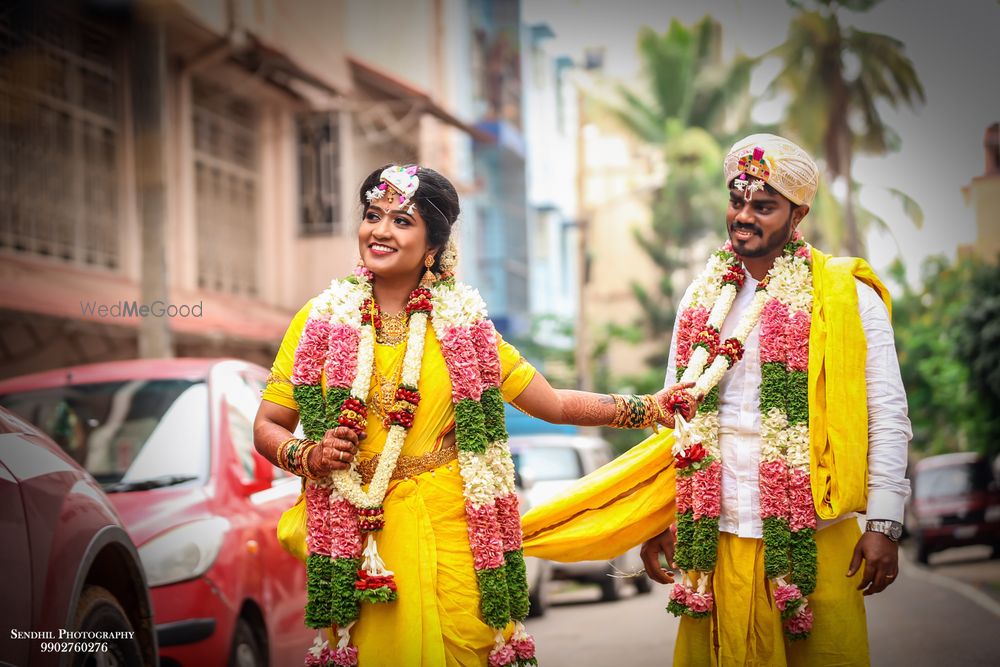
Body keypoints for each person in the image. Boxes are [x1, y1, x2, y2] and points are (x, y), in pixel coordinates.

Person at [252, 164, 690, 667]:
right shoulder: (318, 321)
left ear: (432, 246)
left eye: (402, 221)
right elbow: (268, 425)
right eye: (373, 215)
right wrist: (309, 453)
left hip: (452, 531)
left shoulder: (465, 327)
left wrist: (648, 407)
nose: (380, 231)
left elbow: (551, 403)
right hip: (357, 534)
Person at [522, 134, 911, 666]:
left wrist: (886, 523)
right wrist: (659, 516)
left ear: (797, 214)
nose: (744, 216)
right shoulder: (702, 297)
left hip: (814, 532)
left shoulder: (847, 298)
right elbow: (674, 415)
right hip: (718, 532)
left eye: (764, 206)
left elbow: (887, 414)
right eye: (737, 201)